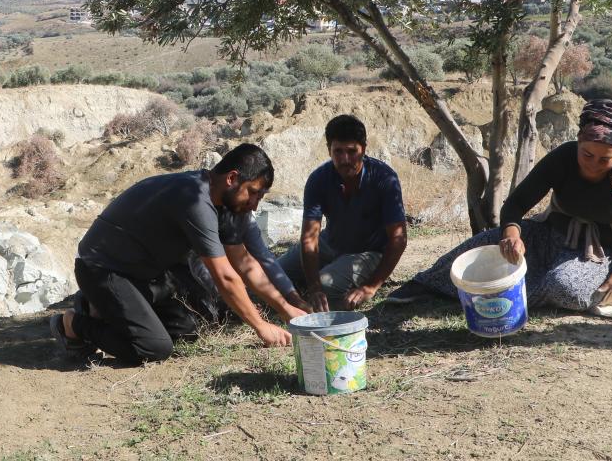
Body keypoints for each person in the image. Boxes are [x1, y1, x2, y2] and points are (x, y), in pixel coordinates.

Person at [386, 99, 612, 312]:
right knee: (485, 242)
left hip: (601, 252)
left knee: (565, 287)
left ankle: (495, 293)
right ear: (579, 141)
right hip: (552, 233)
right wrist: (511, 236)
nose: (593, 164)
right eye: (587, 154)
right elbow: (516, 203)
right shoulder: (562, 158)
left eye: (604, 159)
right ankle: (426, 283)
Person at [50, 143, 304, 363]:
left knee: (188, 328)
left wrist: (285, 308)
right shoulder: (194, 199)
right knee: (152, 347)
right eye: (253, 192)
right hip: (102, 268)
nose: (255, 203)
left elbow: (244, 263)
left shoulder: (226, 204)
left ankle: (101, 307)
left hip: (145, 272)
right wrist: (261, 327)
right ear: (232, 178)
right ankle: (73, 323)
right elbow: (225, 276)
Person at [279, 114, 408, 311]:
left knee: (327, 286)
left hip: (370, 252)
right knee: (272, 275)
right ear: (329, 150)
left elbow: (398, 239)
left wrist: (371, 287)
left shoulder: (384, 178)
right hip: (330, 243)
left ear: (363, 149)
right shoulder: (318, 179)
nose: (345, 159)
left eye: (352, 151)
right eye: (338, 151)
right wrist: (313, 288)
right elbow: (309, 239)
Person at [174, 215, 309, 324]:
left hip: (212, 263)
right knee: (206, 316)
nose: (255, 207)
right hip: (177, 263)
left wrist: (293, 297)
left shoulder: (244, 213)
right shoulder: (202, 215)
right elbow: (201, 265)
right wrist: (237, 304)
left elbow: (262, 256)